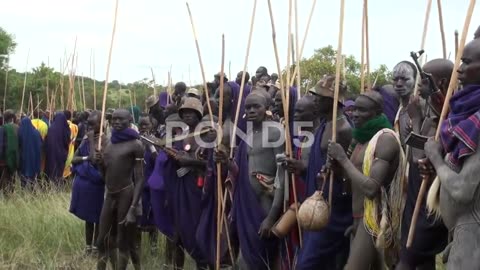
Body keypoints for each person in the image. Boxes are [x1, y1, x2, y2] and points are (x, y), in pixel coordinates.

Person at [328, 91, 405, 269]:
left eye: (362, 110)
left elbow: (371, 189)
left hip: (374, 218)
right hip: (359, 217)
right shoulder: (360, 139)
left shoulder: (385, 139)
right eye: (354, 109)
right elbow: (352, 178)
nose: (355, 114)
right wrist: (337, 168)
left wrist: (343, 159)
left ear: (378, 113)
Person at [423, 38, 480, 269]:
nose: (460, 68)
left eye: (466, 62)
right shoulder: (467, 116)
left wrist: (436, 158)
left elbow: (463, 190)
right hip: (464, 233)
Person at [396, 59, 453, 270]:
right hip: (415, 198)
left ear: (443, 82)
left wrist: (417, 120)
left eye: (425, 80)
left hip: (431, 204)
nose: (419, 85)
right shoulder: (430, 112)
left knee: (408, 260)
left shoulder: (447, 117)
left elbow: (419, 159)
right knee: (421, 263)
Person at [220, 91, 285, 270]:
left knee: (263, 256)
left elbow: (282, 173)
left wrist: (272, 217)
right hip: (247, 204)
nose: (251, 110)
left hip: (266, 203)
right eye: (248, 107)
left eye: (256, 106)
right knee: (245, 259)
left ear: (267, 109)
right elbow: (241, 171)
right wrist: (226, 161)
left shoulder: (275, 131)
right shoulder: (248, 135)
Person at [294, 76, 353, 270]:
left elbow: (345, 172)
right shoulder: (323, 125)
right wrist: (301, 169)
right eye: (315, 96)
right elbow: (317, 166)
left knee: (307, 264)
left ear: (334, 100)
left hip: (332, 209)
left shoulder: (342, 129)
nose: (316, 100)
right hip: (317, 202)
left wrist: (334, 174)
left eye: (320, 96)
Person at [95, 109, 144, 270]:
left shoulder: (136, 144)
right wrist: (100, 163)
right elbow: (104, 175)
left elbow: (140, 178)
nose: (116, 122)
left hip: (126, 193)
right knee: (102, 240)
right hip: (110, 194)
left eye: (120, 119)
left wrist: (133, 208)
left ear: (129, 120)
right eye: (113, 119)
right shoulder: (108, 142)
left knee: (123, 240)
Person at [165, 97, 209, 269]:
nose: (188, 115)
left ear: (199, 114)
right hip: (180, 188)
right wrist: (173, 156)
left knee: (197, 231)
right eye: (185, 112)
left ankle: (202, 265)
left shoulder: (207, 136)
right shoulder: (180, 136)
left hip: (198, 188)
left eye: (192, 112)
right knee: (178, 233)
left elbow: (212, 164)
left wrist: (190, 162)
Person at [69, 111, 108, 255]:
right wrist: (85, 157)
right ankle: (88, 247)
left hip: (98, 185)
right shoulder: (85, 140)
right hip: (84, 185)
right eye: (88, 124)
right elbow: (74, 159)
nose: (89, 127)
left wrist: (92, 140)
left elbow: (95, 160)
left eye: (93, 124)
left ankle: (97, 247)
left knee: (97, 217)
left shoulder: (105, 141)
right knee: (88, 219)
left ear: (101, 124)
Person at [137, 115, 159, 255]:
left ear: (152, 126)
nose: (143, 128)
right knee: (138, 219)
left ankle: (154, 247)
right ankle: (137, 248)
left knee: (153, 218)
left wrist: (151, 146)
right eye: (141, 125)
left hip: (151, 188)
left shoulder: (156, 142)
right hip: (138, 188)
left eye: (146, 125)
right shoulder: (135, 142)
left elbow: (159, 162)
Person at [392, 61, 418, 147]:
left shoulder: (421, 107)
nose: (399, 84)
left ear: (415, 80)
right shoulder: (399, 108)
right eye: (395, 80)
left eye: (405, 79)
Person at [45, 112, 70, 185]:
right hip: (61, 153)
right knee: (59, 170)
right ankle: (58, 185)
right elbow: (67, 141)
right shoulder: (65, 129)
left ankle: (51, 185)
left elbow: (47, 141)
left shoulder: (51, 128)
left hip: (51, 153)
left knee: (52, 169)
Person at [18, 117, 42, 188]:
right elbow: (40, 144)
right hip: (34, 156)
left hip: (24, 157)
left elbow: (18, 145)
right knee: (33, 174)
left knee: (23, 174)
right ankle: (33, 190)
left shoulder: (20, 132)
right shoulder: (36, 132)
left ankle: (23, 189)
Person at [0, 110, 18, 193]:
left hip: (4, 160)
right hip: (15, 160)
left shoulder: (3, 129)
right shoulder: (18, 128)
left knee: (4, 180)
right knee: (11, 180)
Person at [63, 110, 79, 179]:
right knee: (69, 163)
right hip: (71, 147)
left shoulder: (63, 125)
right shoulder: (75, 126)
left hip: (64, 147)